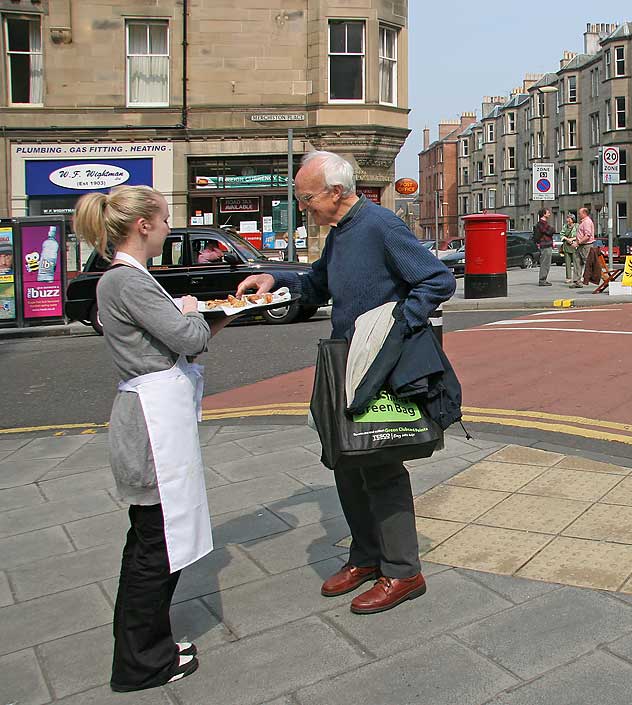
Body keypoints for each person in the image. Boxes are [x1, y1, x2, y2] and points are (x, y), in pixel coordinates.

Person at [233, 151, 455, 614]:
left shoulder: (380, 225)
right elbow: (315, 285)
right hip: (346, 363)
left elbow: (436, 280)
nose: (304, 207)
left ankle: (403, 571)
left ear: (336, 192)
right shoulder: (339, 235)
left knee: (381, 465)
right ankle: (366, 556)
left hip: (379, 366)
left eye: (307, 198)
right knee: (346, 460)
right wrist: (271, 280)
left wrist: (396, 326)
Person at [73, 185, 230, 693]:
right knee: (154, 546)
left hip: (151, 416)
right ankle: (141, 663)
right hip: (150, 427)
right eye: (163, 219)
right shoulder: (129, 282)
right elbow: (189, 339)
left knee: (151, 539)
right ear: (143, 225)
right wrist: (190, 310)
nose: (167, 226)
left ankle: (150, 646)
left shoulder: (125, 279)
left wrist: (193, 315)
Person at [572, 207, 595, 287]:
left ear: (584, 213)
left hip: (586, 245)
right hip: (581, 245)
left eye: (580, 213)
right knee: (577, 262)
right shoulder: (583, 222)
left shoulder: (587, 222)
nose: (578, 215)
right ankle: (576, 281)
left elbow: (587, 235)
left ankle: (594, 278)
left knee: (588, 263)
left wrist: (578, 242)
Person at [532, 208, 555, 286]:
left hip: (547, 244)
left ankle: (543, 279)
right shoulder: (542, 223)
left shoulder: (543, 223)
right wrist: (551, 229)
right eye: (548, 213)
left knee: (547, 263)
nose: (549, 214)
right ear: (544, 214)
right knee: (545, 263)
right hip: (545, 245)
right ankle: (542, 280)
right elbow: (550, 231)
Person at [559, 212, 578, 283]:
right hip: (566, 246)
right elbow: (561, 235)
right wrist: (567, 239)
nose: (567, 220)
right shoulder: (565, 226)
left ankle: (577, 277)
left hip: (575, 245)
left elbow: (579, 235)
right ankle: (568, 277)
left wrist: (572, 239)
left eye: (569, 219)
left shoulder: (577, 226)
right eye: (567, 219)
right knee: (567, 263)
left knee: (576, 263)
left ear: (573, 219)